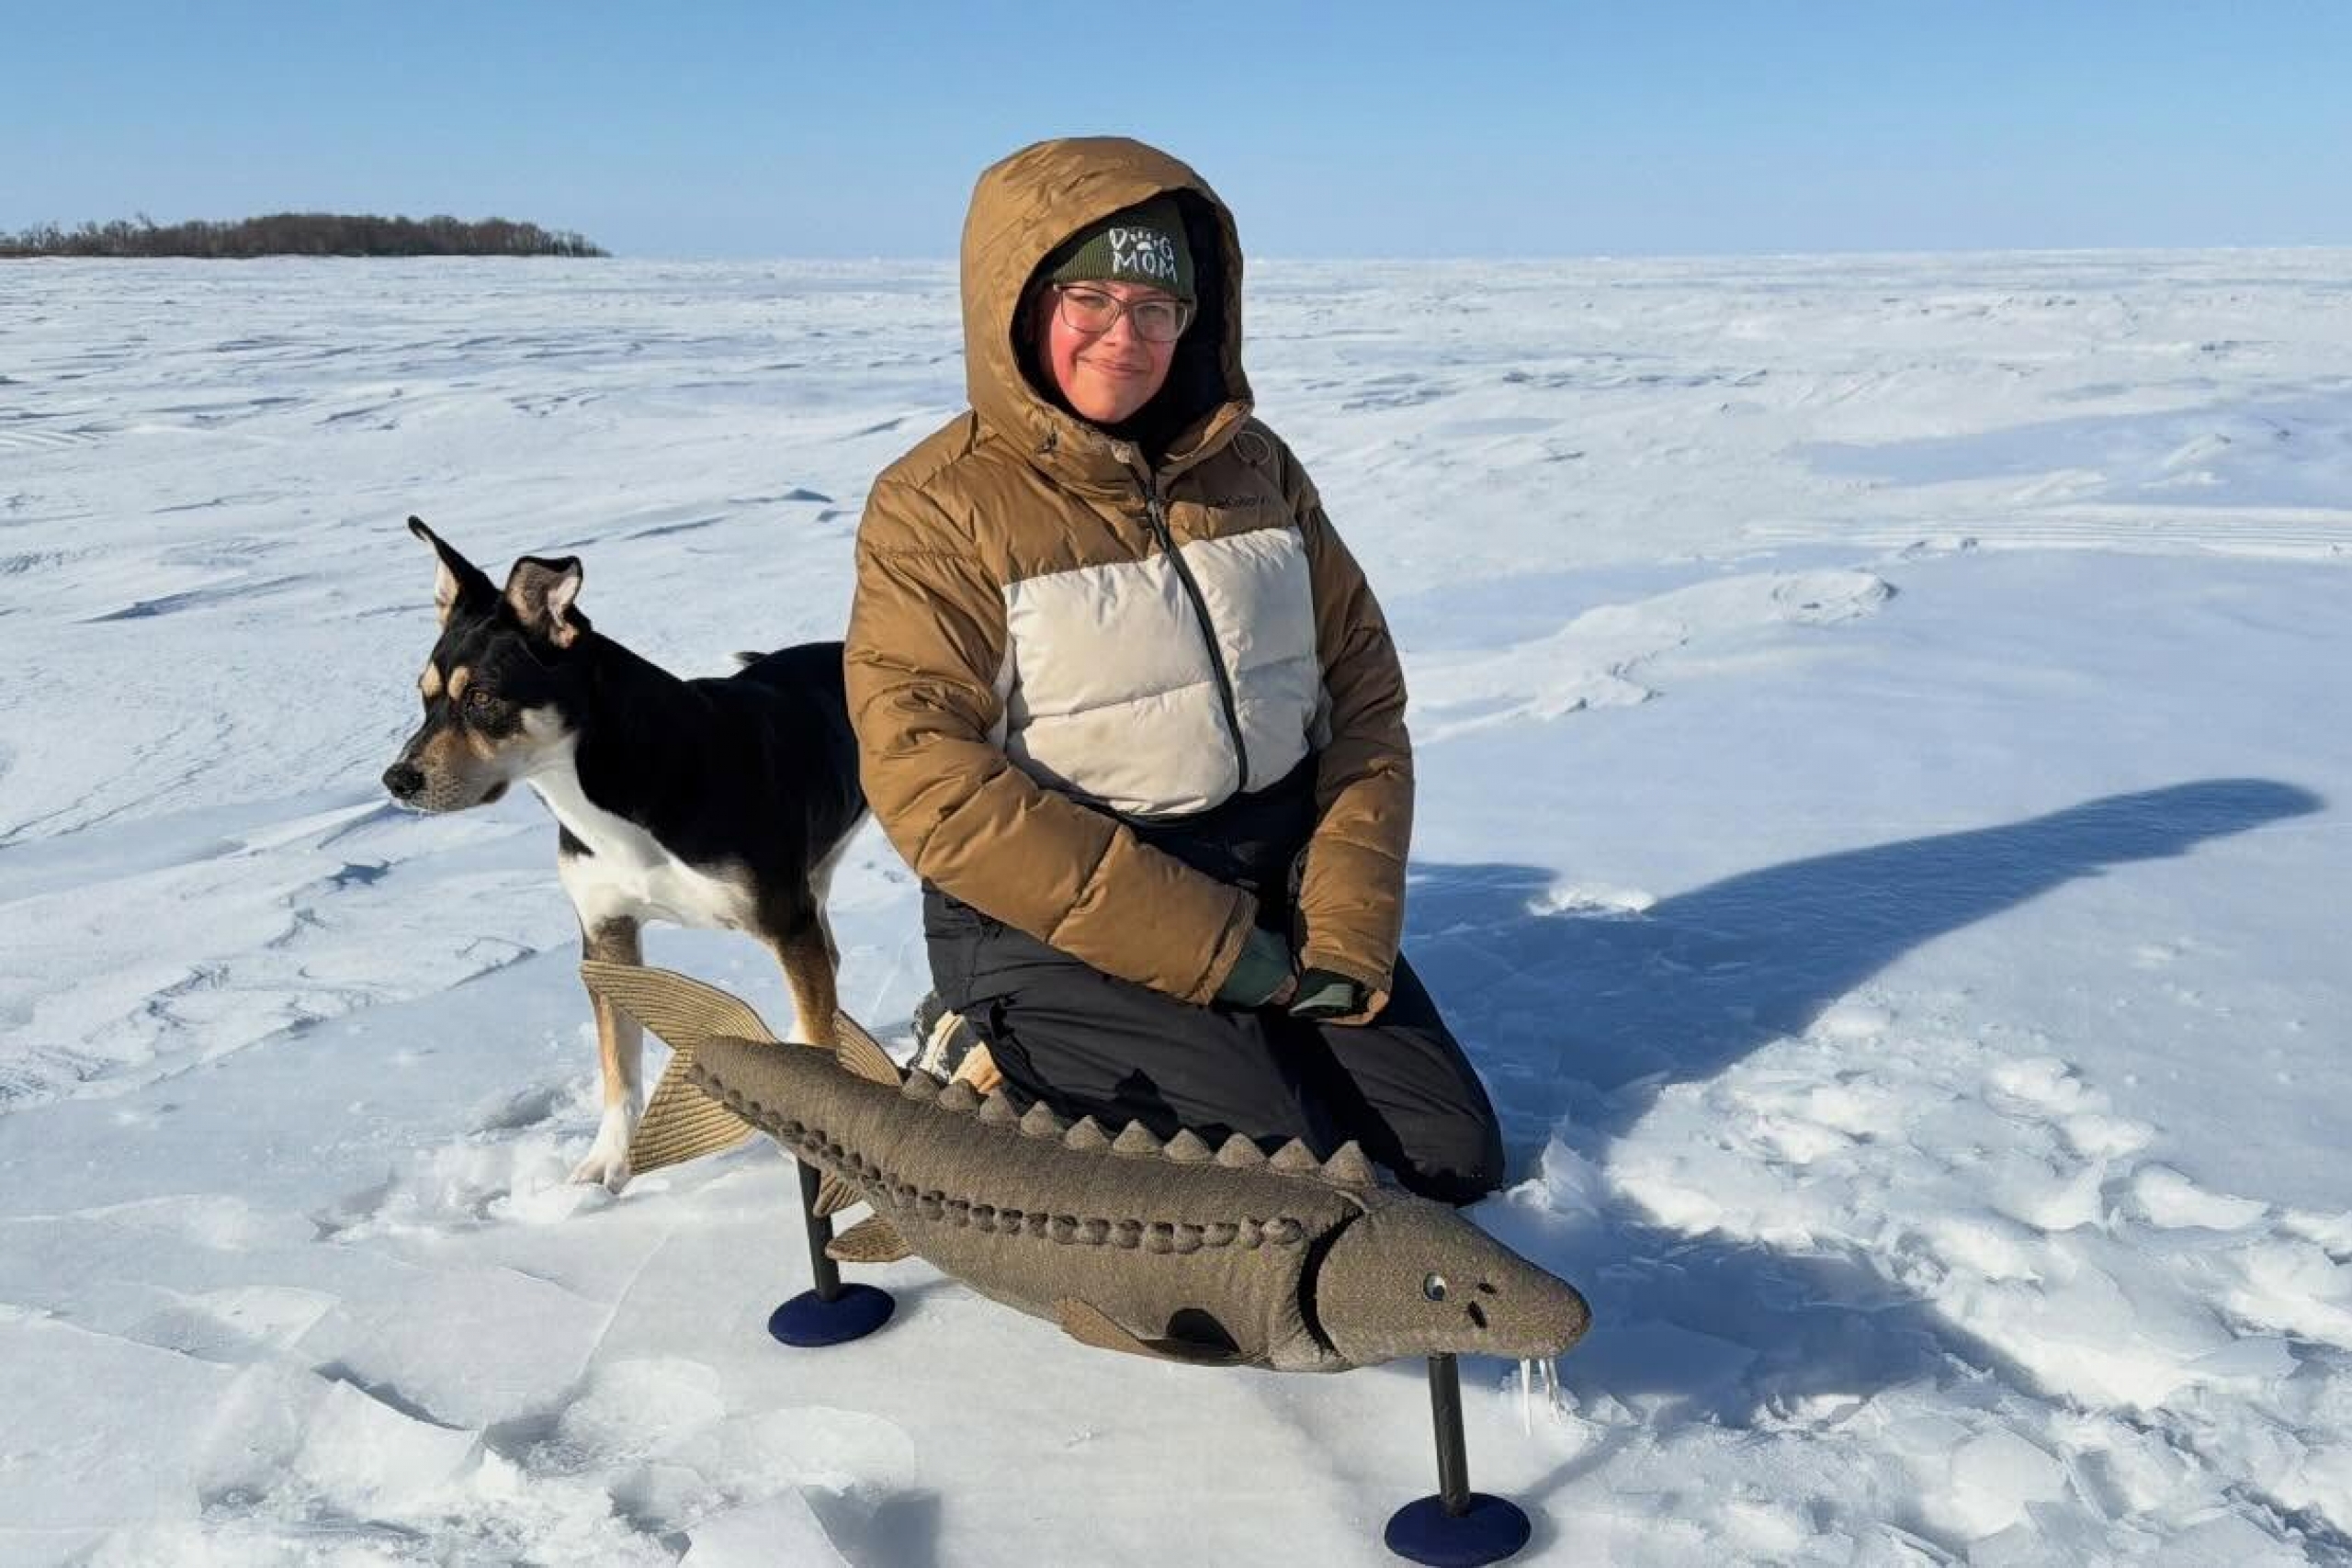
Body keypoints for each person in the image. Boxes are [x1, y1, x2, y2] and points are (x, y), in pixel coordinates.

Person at [844, 136, 1502, 1206]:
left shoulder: (1255, 469)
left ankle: (1239, 1036)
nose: (1125, 337)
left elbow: (1363, 700)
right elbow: (931, 785)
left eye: (1157, 309)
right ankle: (986, 1042)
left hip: (1268, 869)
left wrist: (1342, 922)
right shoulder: (937, 504)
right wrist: (1213, 952)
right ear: (1018, 304)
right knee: (1279, 1188)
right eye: (1089, 301)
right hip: (1053, 903)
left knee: (1448, 1157)